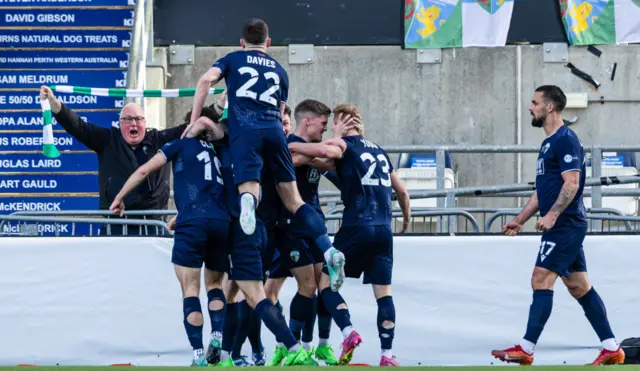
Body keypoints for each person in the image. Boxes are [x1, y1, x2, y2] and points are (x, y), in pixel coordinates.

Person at [185, 18, 346, 291]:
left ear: (242, 42)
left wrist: (196, 116)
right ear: (268, 43)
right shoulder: (280, 70)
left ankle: (248, 202)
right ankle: (329, 250)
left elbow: (205, 80)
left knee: (249, 187)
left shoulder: (233, 59)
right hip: (274, 130)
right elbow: (281, 108)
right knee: (295, 200)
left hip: (244, 129)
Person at [491, 85, 625, 366]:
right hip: (563, 225)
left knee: (540, 279)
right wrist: (520, 219)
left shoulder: (566, 139)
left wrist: (552, 216)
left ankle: (526, 349)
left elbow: (571, 183)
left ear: (549, 107)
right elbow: (542, 191)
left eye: (534, 102)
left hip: (566, 225)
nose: (530, 107)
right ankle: (612, 347)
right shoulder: (548, 143)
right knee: (578, 286)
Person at [187, 106, 315, 366]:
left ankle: (292, 348)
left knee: (252, 296)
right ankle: (226, 356)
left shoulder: (220, 152)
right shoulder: (255, 148)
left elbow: (200, 126)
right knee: (233, 293)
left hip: (238, 231)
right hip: (256, 228)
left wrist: (220, 105)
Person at [288, 104, 411, 366]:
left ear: (342, 124)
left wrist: (291, 146)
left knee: (326, 285)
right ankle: (387, 355)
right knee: (384, 294)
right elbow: (403, 192)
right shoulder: (379, 150)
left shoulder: (344, 145)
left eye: (334, 124)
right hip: (384, 230)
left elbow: (325, 151)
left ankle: (348, 332)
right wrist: (406, 219)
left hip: (356, 226)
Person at [109, 107, 229, 366]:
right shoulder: (220, 151)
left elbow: (144, 171)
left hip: (192, 223)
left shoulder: (178, 145)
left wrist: (119, 198)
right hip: (220, 222)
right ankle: (217, 336)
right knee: (216, 286)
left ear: (188, 126)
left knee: (190, 289)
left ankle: (198, 355)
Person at [39, 85, 207, 236]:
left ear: (145, 122)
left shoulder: (159, 140)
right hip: (115, 225)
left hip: (153, 227)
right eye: (127, 120)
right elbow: (77, 126)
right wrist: (53, 103)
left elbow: (192, 127)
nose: (133, 124)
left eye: (138, 119)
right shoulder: (108, 140)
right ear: (119, 123)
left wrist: (220, 105)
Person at [265, 99, 354, 366]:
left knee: (320, 283)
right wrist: (334, 142)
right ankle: (289, 346)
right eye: (323, 126)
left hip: (313, 224)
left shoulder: (308, 150)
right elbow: (306, 155)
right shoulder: (289, 144)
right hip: (289, 227)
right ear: (308, 121)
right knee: (300, 286)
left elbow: (331, 162)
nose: (324, 131)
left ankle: (317, 345)